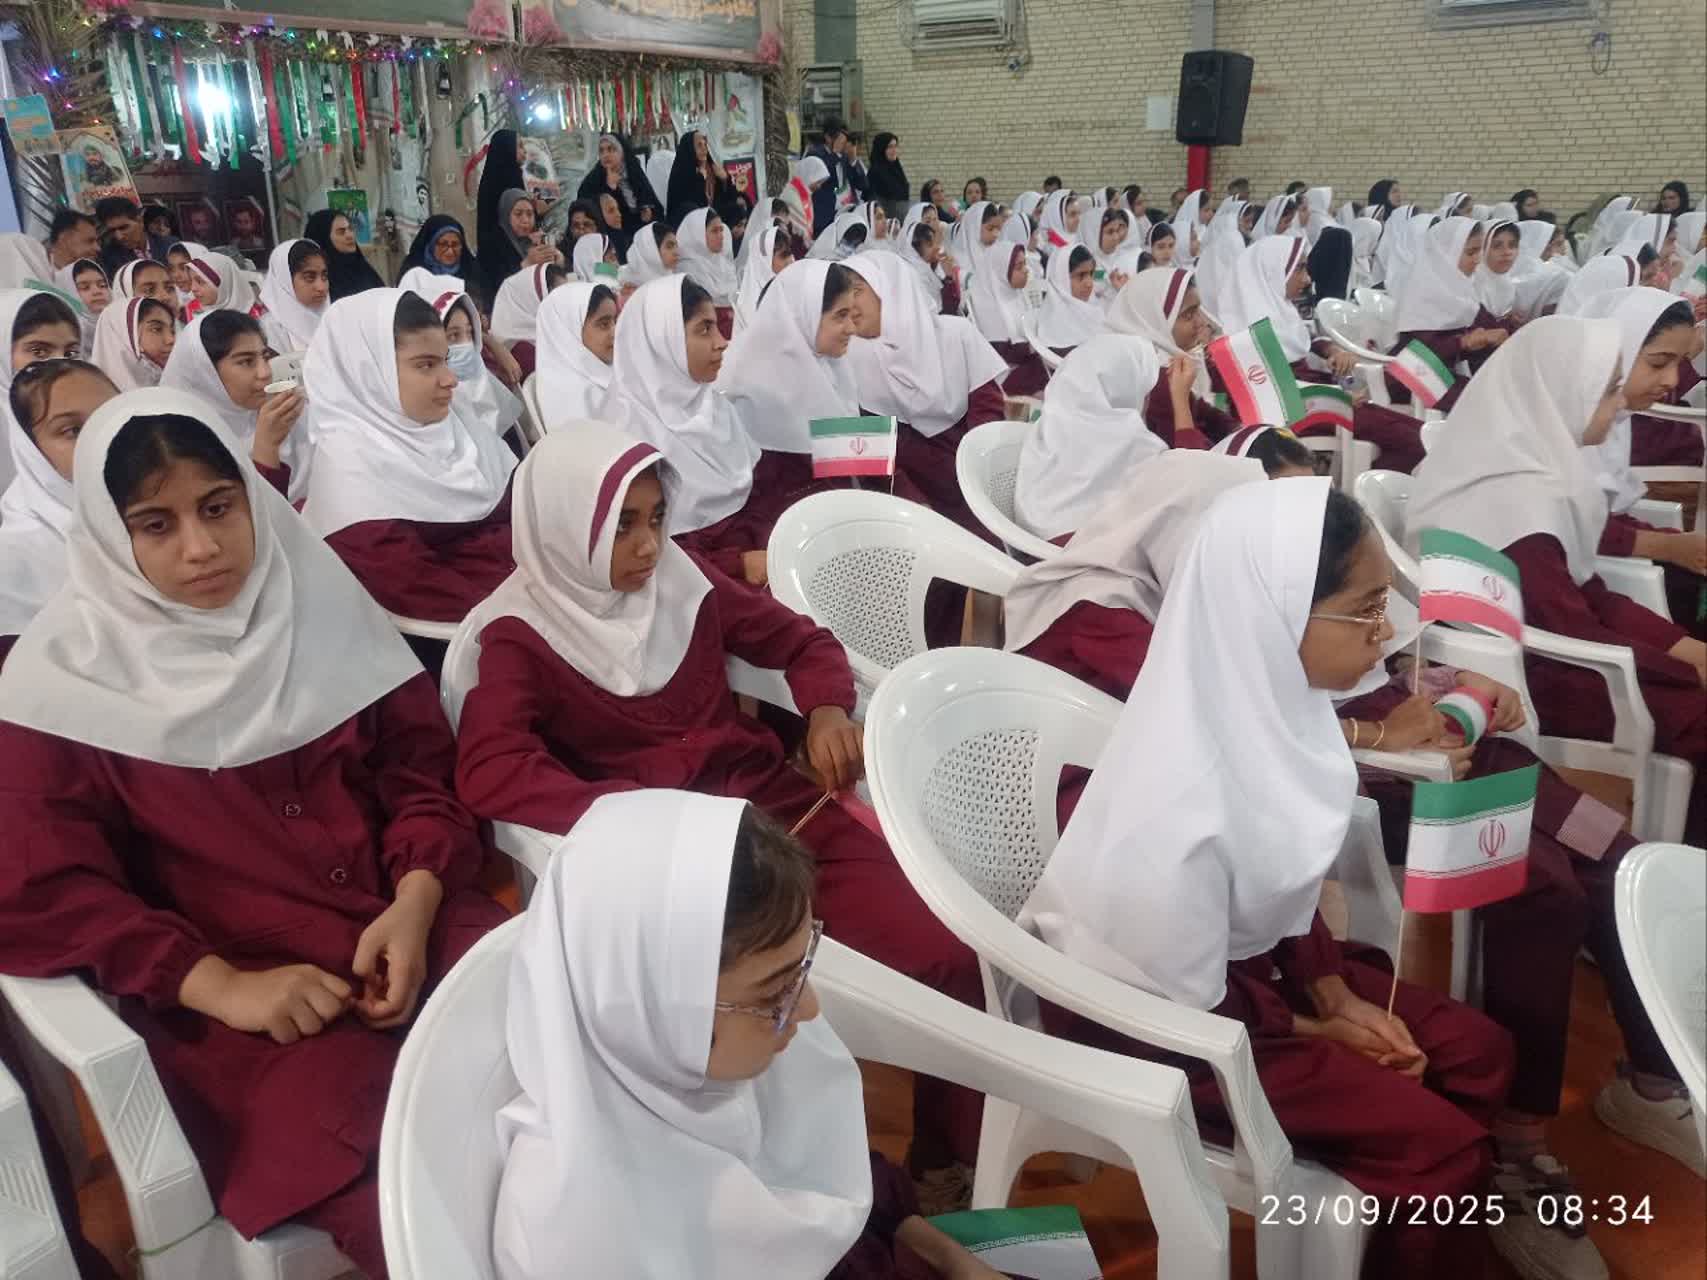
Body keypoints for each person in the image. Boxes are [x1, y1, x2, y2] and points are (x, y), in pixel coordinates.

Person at [0, 388, 509, 1279]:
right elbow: (45, 890)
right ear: (110, 535)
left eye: (218, 507)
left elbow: (419, 774)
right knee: (426, 1199)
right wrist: (220, 986)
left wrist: (418, 897)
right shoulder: (62, 689)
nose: (202, 548)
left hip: (414, 927)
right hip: (253, 1016)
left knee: (580, 1061)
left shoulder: (322, 608)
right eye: (156, 525)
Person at [455, 426, 986, 1191]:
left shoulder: (681, 578)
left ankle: (945, 1155)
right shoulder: (519, 636)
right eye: (620, 526)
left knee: (946, 947)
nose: (647, 545)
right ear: (566, 528)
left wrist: (825, 712)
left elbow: (801, 641)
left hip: (770, 812)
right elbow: (492, 770)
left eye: (655, 518)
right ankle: (779, 1180)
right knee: (750, 1013)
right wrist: (635, 813)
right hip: (668, 868)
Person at [1023, 476, 1517, 1279]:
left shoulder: (1279, 711)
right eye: (1365, 608)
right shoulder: (1179, 795)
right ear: (1275, 612)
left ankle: (1394, 1221)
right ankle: (1421, 1208)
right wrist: (1320, 1030)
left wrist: (1332, 992)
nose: (1383, 632)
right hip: (1159, 1030)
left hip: (1239, 979)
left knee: (1477, 1050)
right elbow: (1176, 1002)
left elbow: (1279, 883)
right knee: (1443, 1150)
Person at [496, 787, 1010, 1278]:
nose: (809, 1009)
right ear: (652, 1011)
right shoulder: (580, 1242)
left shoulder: (731, 1065)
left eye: (802, 968)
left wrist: (953, 1260)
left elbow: (852, 1177)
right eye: (773, 993)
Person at [1406, 315, 1707, 845]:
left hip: (1556, 651)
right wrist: (1683, 670)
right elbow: (1571, 628)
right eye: (1607, 391)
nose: (1617, 405)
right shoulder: (1516, 500)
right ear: (1558, 390)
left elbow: (1586, 594)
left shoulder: (1537, 470)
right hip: (1533, 674)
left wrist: (1684, 649)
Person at [301, 289, 518, 622]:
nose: (450, 380)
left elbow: (528, 504)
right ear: (370, 372)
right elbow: (432, 597)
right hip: (490, 628)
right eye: (426, 365)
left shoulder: (455, 423)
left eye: (445, 360)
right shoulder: (352, 483)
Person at [1222, 236, 1427, 471]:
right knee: (1414, 440)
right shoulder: (1242, 334)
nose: (1307, 279)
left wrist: (1332, 350)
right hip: (1296, 413)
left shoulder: (1280, 311)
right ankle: (1377, 486)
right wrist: (1335, 396)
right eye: (1299, 268)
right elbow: (1267, 395)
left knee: (1417, 430)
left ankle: (1369, 480)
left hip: (1316, 398)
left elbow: (1304, 341)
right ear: (1271, 272)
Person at [843, 252, 1007, 535]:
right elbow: (869, 460)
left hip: (977, 480)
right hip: (911, 506)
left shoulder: (956, 334)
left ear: (891, 288)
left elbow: (988, 413)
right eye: (842, 296)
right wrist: (916, 508)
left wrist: (978, 482)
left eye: (857, 290)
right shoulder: (849, 359)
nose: (849, 305)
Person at [719, 260, 866, 510]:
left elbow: (862, 456)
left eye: (852, 315)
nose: (852, 328)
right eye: (841, 316)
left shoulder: (830, 366)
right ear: (802, 316)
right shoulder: (753, 392)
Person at [0, 360, 118, 667]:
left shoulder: (163, 510)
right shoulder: (14, 560)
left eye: (113, 416)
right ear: (32, 450)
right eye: (73, 430)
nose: (106, 437)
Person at [1012, 335, 1170, 543]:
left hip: (1032, 540)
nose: (1147, 398)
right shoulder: (1134, 443)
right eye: (1145, 389)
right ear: (1125, 387)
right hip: (1087, 550)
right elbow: (1184, 493)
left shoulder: (1054, 419)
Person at [160, 309, 309, 499]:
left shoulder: (282, 415)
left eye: (265, 357)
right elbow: (257, 513)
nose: (265, 372)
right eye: (246, 361)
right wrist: (266, 446)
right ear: (207, 374)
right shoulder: (182, 448)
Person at [1106, 266, 1238, 450]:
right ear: (1156, 319)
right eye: (1188, 315)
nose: (1201, 322)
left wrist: (1242, 431)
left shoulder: (1168, 360)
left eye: (1198, 310)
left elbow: (1206, 415)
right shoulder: (1156, 379)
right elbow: (1191, 458)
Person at [1389, 218, 1511, 408]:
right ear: (1445, 255)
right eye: (1470, 252)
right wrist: (1463, 342)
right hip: (1413, 379)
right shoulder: (1422, 295)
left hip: (1443, 375)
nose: (1478, 260)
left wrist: (1505, 331)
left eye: (1479, 251)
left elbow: (1488, 324)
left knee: (1506, 390)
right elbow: (1416, 353)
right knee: (1489, 403)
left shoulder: (1461, 292)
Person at [397, 269, 525, 445]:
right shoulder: (427, 410)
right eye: (453, 336)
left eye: (470, 333)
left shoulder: (485, 387)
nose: (466, 345)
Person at [533, 282, 615, 423]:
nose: (616, 332)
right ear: (568, 332)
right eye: (604, 324)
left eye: (615, 321)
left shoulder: (605, 369)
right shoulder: (570, 398)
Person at [576, 133, 663, 257]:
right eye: (601, 151)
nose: (606, 155)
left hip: (641, 236)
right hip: (612, 243)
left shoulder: (633, 170)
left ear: (622, 152)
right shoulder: (592, 181)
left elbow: (650, 201)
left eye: (611, 149)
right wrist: (610, 188)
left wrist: (648, 210)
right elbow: (587, 211)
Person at [254, 239, 329, 354]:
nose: (321, 287)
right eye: (309, 277)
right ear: (285, 281)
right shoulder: (268, 330)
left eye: (324, 276)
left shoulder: (334, 318)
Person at [490, 262, 564, 378]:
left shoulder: (550, 331)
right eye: (558, 295)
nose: (565, 302)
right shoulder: (524, 352)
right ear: (532, 299)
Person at [674, 209, 740, 336]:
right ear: (697, 236)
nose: (721, 236)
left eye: (721, 230)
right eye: (714, 231)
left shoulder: (724, 263)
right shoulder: (687, 269)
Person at [666, 129, 747, 231]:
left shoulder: (712, 169)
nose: (704, 148)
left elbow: (725, 199)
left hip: (713, 218)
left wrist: (725, 179)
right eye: (699, 145)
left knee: (740, 205)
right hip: (690, 223)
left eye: (705, 144)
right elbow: (690, 206)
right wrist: (700, 179)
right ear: (690, 148)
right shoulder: (681, 173)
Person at [91, 294, 174, 391]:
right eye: (157, 329)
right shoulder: (96, 395)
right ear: (124, 336)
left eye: (172, 331)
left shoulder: (173, 383)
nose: (171, 340)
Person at [400, 214, 488, 302]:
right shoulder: (413, 272)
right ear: (431, 244)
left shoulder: (472, 271)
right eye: (443, 244)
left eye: (455, 244)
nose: (450, 252)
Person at [1034, 244, 1104, 354]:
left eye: (1091, 274)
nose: (1089, 283)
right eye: (1081, 275)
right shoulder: (1053, 324)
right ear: (1061, 278)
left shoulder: (1094, 310)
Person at [304, 208, 385, 300]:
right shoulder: (319, 283)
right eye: (341, 232)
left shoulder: (364, 270)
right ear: (324, 238)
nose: (349, 235)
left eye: (350, 229)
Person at [732, 224, 793, 333]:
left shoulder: (786, 288)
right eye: (784, 256)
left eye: (790, 254)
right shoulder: (750, 305)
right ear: (764, 262)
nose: (790, 261)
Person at [184, 251, 251, 320]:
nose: (193, 288)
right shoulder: (194, 307)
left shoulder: (251, 316)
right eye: (191, 281)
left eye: (200, 281)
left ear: (223, 284)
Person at [95, 196, 147, 279]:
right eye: (112, 231)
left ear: (140, 221)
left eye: (123, 228)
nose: (119, 237)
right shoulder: (107, 258)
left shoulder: (167, 245)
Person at [619, 222, 679, 291]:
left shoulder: (671, 278)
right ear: (650, 251)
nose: (677, 252)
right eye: (669, 246)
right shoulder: (627, 288)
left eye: (676, 246)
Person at [865, 132, 909, 222]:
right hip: (884, 221)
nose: (894, 150)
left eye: (895, 146)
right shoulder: (875, 172)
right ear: (881, 149)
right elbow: (875, 201)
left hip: (899, 219)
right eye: (890, 147)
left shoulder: (896, 168)